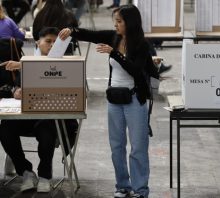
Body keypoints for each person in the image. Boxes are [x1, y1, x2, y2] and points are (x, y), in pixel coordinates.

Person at [59, 4, 158, 198]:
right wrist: (72, 30)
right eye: (115, 21)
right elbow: (91, 35)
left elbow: (136, 70)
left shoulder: (142, 45)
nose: (116, 25)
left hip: (135, 100)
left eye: (119, 21)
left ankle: (140, 190)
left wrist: (115, 54)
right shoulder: (114, 37)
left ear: (130, 23)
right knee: (116, 146)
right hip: (114, 100)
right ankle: (122, 185)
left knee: (138, 147)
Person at [0, 27, 78, 193]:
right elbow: (16, 87)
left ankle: (45, 175)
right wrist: (17, 91)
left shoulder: (66, 64)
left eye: (55, 42)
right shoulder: (27, 63)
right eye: (48, 41)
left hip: (52, 119)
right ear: (38, 42)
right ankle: (26, 172)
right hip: (27, 116)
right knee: (5, 127)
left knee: (46, 126)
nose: (51, 45)